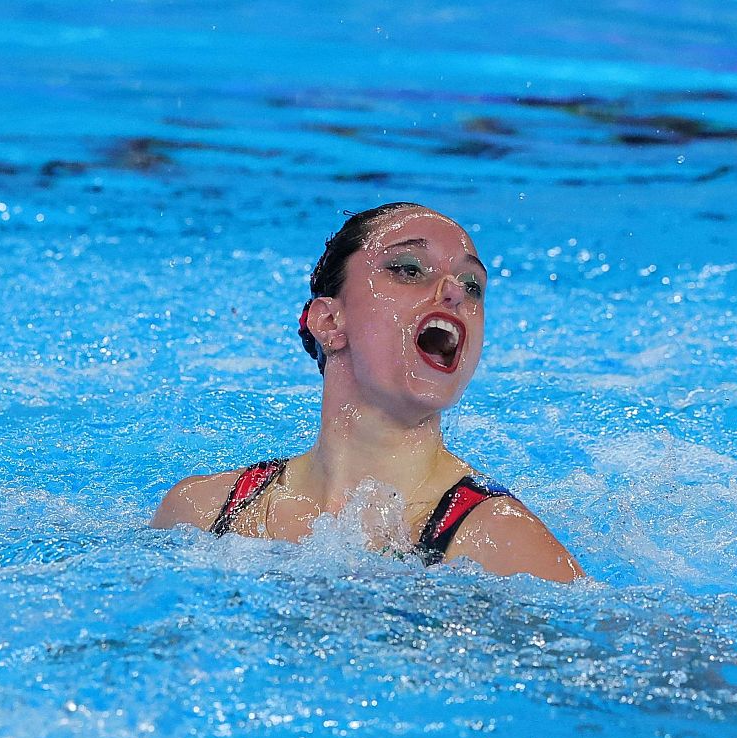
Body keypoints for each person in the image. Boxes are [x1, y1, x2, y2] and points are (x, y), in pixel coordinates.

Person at [152, 202, 582, 582]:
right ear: (330, 323)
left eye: (473, 286)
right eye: (409, 270)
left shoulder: (501, 540)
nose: (453, 291)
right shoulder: (203, 512)